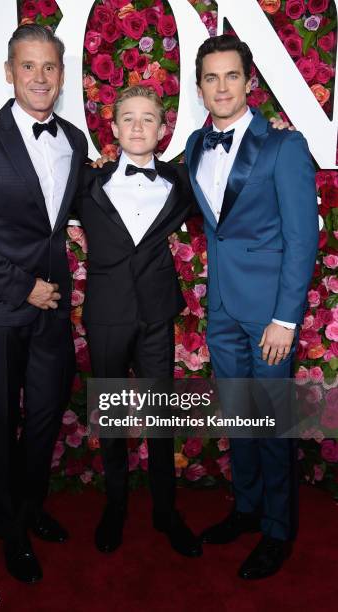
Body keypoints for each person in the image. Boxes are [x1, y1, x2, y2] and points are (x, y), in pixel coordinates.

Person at [0, 24, 88, 583]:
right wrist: (22, 285)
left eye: (49, 67)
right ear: (8, 72)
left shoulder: (74, 140)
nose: (40, 77)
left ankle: (31, 508)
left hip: (52, 311)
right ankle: (10, 530)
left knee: (47, 418)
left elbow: (72, 212)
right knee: (2, 426)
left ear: (61, 73)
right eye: (28, 66)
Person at [185, 34, 319, 579]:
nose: (221, 87)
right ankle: (245, 509)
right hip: (221, 311)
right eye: (211, 78)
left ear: (249, 81)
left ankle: (278, 530)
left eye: (231, 76)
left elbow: (302, 237)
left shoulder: (283, 146)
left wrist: (285, 318)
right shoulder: (194, 145)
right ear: (199, 87)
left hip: (269, 317)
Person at [74, 86, 202, 558]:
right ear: (112, 127)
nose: (137, 126)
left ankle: (166, 511)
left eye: (148, 118)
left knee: (159, 416)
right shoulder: (86, 184)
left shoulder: (181, 183)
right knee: (110, 416)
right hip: (106, 314)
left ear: (163, 129)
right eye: (128, 118)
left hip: (155, 315)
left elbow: (237, 180)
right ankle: (115, 505)